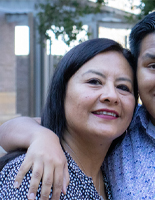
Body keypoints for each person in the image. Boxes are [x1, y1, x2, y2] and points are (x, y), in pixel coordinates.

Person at [1, 6, 155, 199]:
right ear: (138, 71)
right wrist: (42, 137)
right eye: (154, 66)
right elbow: (18, 128)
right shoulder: (117, 127)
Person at [0, 38, 138, 200]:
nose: (111, 96)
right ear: (61, 92)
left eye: (123, 87)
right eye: (94, 81)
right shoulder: (37, 175)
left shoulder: (115, 174)